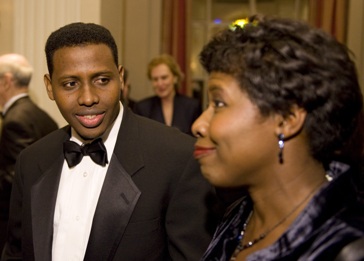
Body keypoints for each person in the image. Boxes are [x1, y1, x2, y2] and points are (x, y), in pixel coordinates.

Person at [1, 22, 219, 261]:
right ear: (50, 87)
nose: (88, 98)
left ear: (121, 78)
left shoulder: (178, 158)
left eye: (102, 80)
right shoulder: (31, 161)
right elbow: (16, 253)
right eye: (70, 84)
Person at [191, 14, 364, 261]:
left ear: (286, 119)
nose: (198, 125)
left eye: (219, 103)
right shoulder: (237, 217)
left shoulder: (346, 248)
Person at [0, 53, 58, 251]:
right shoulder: (40, 114)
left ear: (7, 81)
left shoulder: (15, 120)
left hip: (18, 221)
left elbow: (15, 178)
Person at [134, 54, 201, 135]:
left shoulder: (192, 106)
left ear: (175, 78)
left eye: (164, 77)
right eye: (155, 79)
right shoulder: (142, 108)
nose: (159, 83)